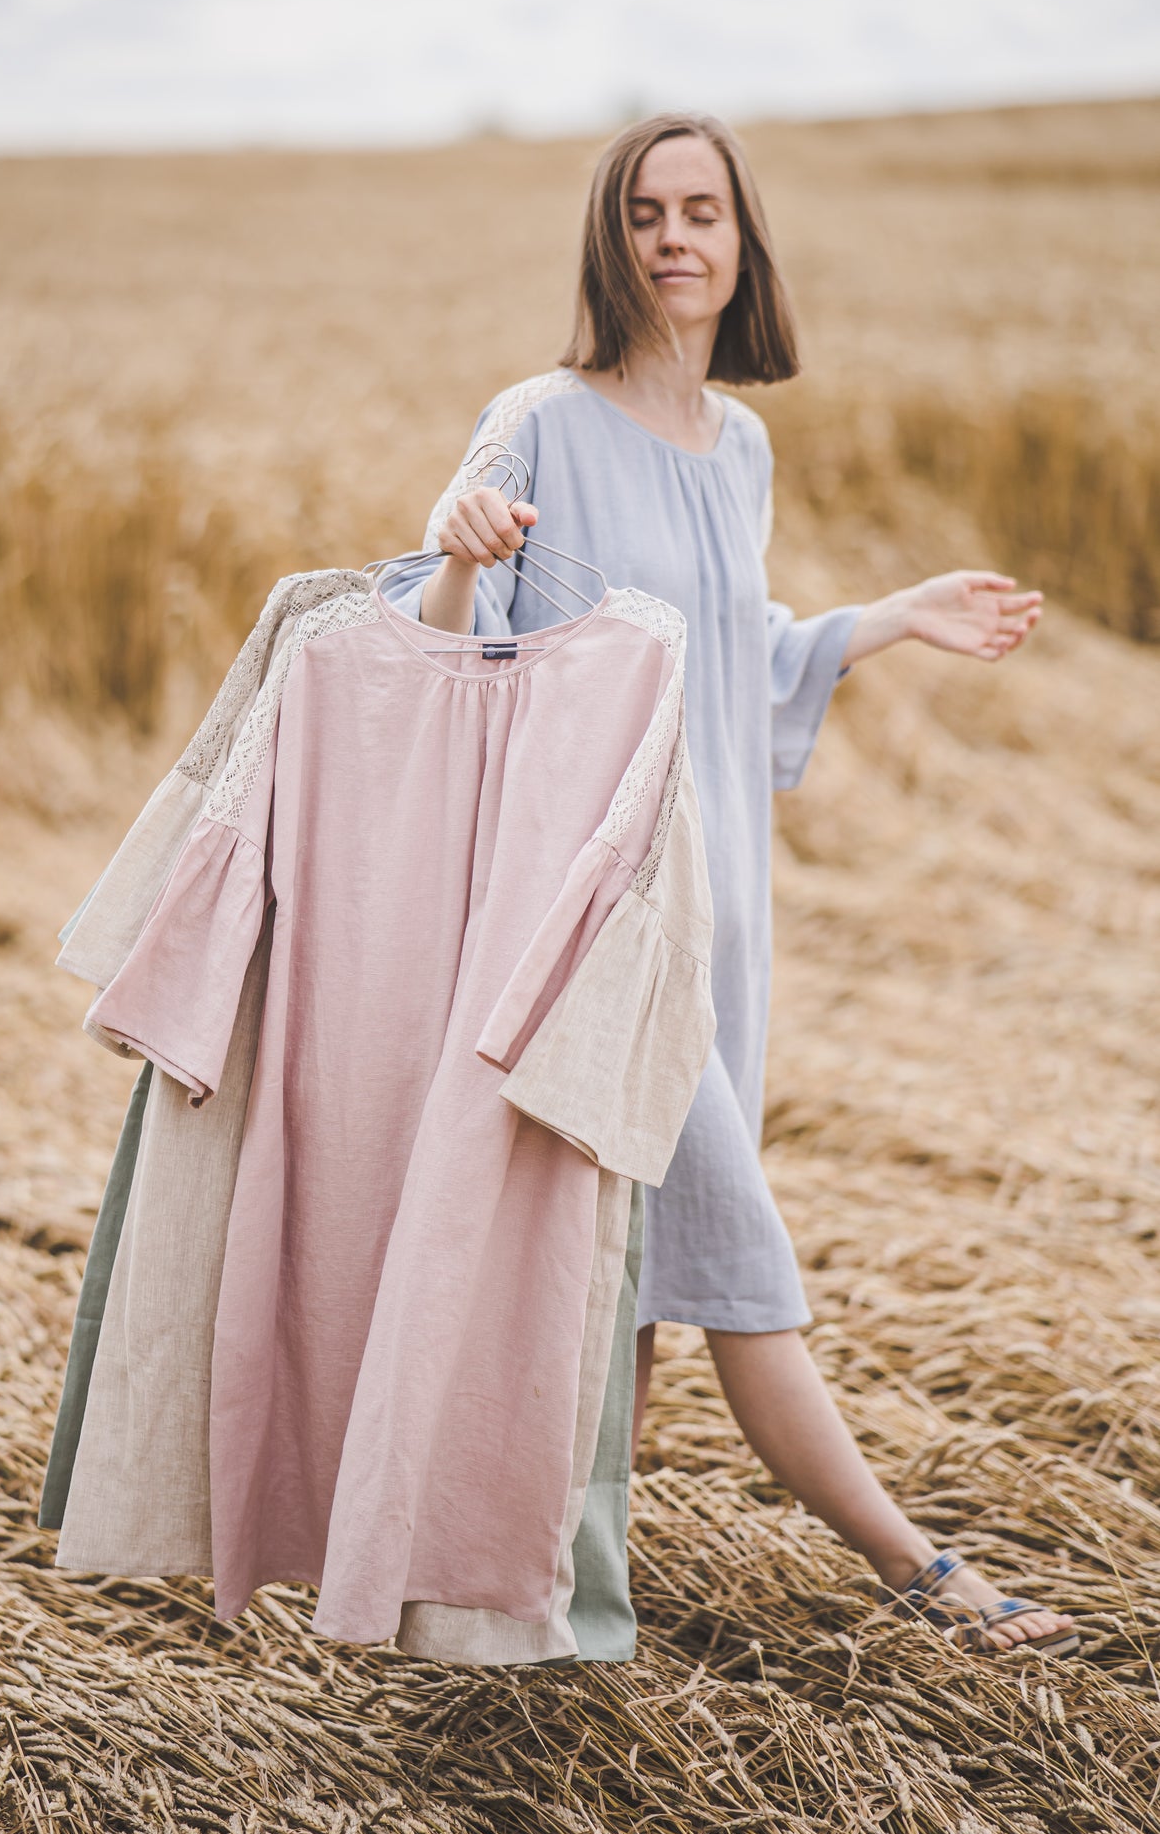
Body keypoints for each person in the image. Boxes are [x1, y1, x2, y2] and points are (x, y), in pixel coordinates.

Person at [408, 113, 1075, 1657]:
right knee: (740, 1270)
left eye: (700, 210)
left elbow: (735, 657)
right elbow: (444, 653)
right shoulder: (534, 424)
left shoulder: (740, 444)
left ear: (739, 240)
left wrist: (890, 615)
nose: (671, 239)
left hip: (717, 918)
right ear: (610, 239)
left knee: (628, 1286)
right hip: (596, 925)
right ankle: (925, 1577)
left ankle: (527, 1597)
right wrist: (449, 555)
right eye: (643, 212)